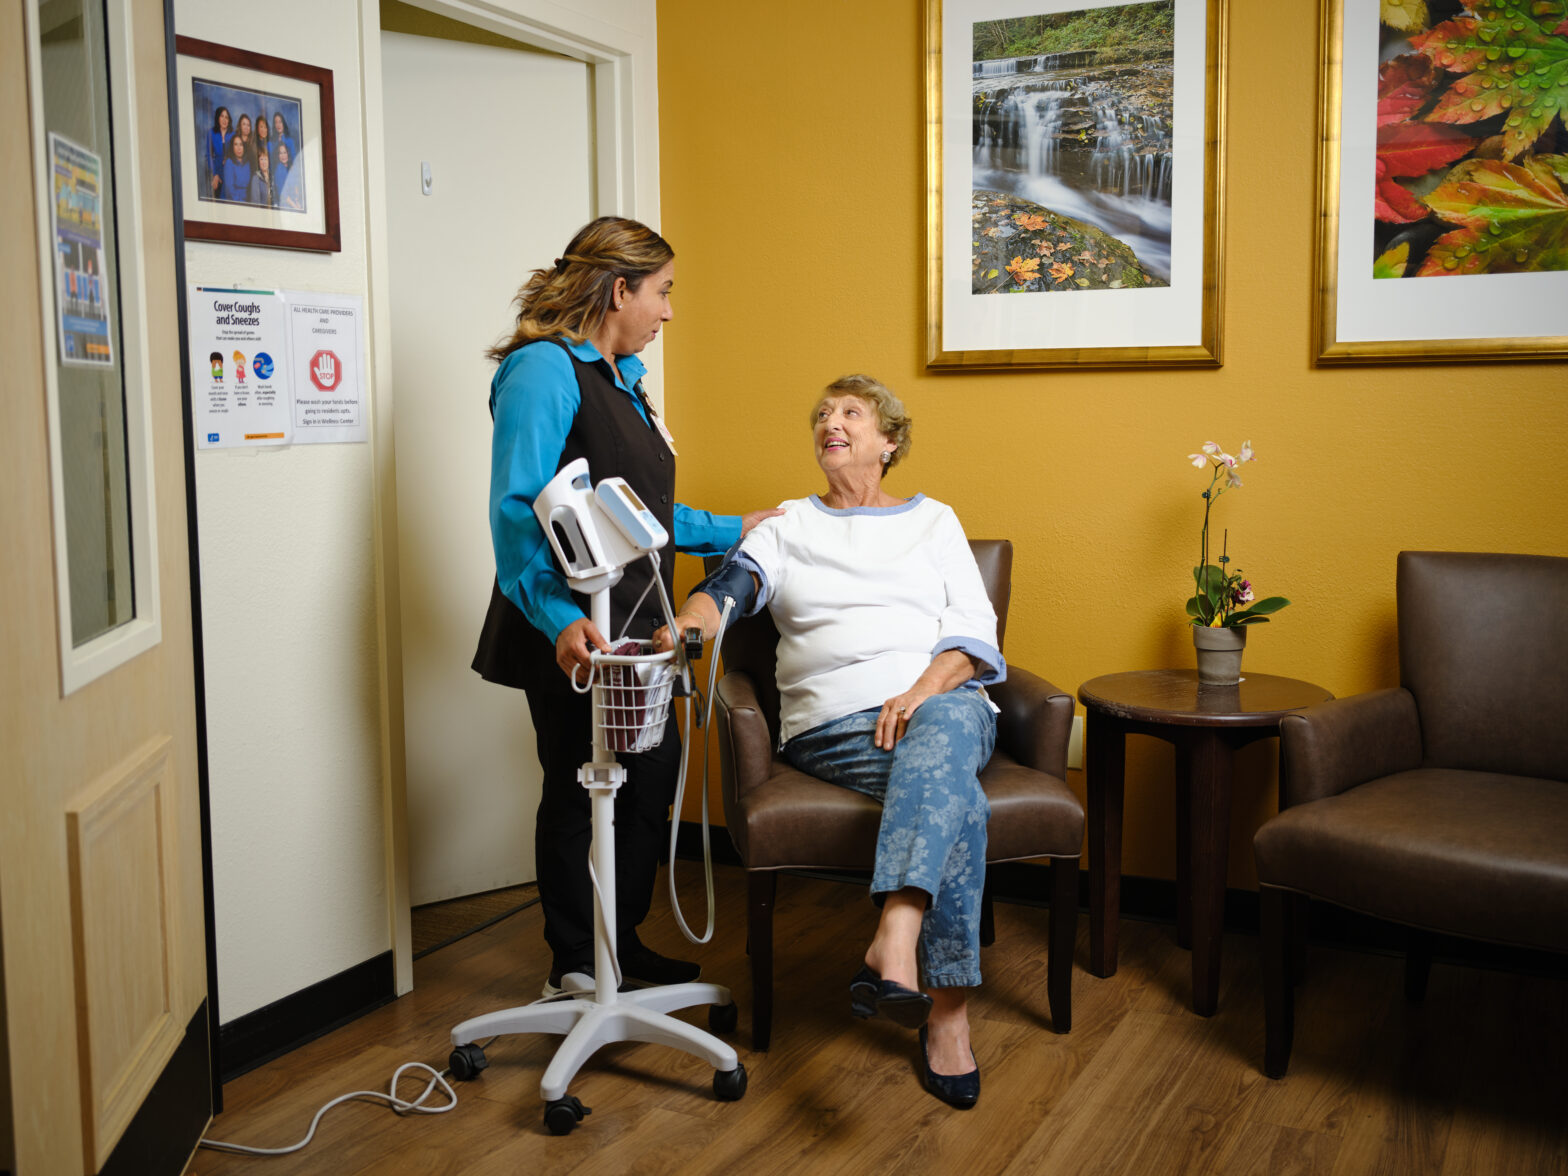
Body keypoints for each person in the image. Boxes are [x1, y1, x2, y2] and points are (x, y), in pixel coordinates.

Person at [653, 374, 1003, 1110]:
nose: (829, 422)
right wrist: (689, 624)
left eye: (850, 412)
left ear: (889, 441)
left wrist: (917, 693)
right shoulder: (786, 528)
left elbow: (973, 636)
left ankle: (897, 938)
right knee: (957, 797)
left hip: (939, 700)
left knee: (942, 726)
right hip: (835, 729)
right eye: (821, 413)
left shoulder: (934, 521)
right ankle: (947, 1013)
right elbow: (728, 589)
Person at [471, 216, 782, 1001]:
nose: (669, 311)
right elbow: (515, 513)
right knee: (581, 786)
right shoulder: (544, 371)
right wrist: (556, 618)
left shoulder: (621, 378)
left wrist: (734, 529)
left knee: (649, 781)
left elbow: (642, 513)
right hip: (570, 628)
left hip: (637, 624)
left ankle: (619, 939)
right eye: (663, 292)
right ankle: (577, 961)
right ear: (620, 290)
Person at [205, 106, 231, 198]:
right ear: (217, 118)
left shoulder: (233, 134)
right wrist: (214, 174)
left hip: (230, 171)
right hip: (216, 171)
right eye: (222, 116)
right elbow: (209, 155)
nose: (224, 120)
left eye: (226, 117)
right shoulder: (211, 133)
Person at [274, 139, 304, 212]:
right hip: (286, 205)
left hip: (294, 202)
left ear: (288, 153)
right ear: (278, 156)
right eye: (280, 153)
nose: (283, 156)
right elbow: (283, 195)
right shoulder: (279, 170)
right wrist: (295, 206)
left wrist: (297, 201)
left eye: (285, 152)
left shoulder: (291, 167)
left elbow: (295, 186)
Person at [220, 132, 250, 203]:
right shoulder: (229, 162)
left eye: (241, 145)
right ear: (232, 147)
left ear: (244, 147)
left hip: (245, 200)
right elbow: (230, 190)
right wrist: (242, 203)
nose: (239, 148)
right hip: (232, 201)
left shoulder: (247, 163)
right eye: (235, 145)